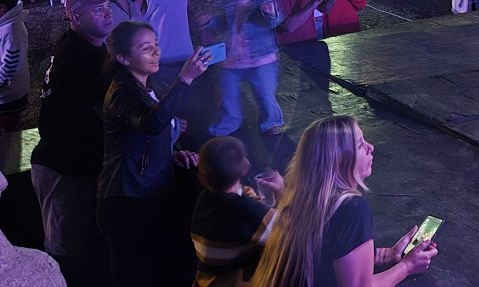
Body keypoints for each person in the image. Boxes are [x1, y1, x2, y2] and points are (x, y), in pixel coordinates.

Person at [249, 115, 437, 287]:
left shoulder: (302, 198)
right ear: (340, 160)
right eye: (360, 145)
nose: (371, 147)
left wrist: (388, 255)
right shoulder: (351, 209)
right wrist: (407, 266)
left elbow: (327, 256)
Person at [96, 21, 211, 287]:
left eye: (156, 45)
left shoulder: (145, 87)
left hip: (147, 193)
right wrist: (185, 79)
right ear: (123, 58)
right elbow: (150, 124)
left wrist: (170, 156)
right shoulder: (122, 94)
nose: (157, 52)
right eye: (147, 48)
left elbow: (147, 137)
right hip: (126, 202)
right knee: (134, 276)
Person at [30, 0, 119, 283]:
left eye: (108, 7)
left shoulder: (83, 44)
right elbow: (108, 112)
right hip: (64, 168)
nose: (107, 13)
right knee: (68, 250)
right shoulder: (80, 57)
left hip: (77, 161)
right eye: (99, 10)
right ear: (76, 17)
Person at [208, 0, 287, 136]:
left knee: (265, 94)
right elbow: (222, 22)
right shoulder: (228, 1)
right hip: (232, 58)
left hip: (262, 59)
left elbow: (275, 21)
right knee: (229, 94)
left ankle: (271, 122)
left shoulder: (263, 1)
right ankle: (230, 122)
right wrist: (209, 22)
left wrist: (270, 14)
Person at [191, 136, 282, 287]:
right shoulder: (248, 213)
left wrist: (250, 199)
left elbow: (235, 199)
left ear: (202, 178)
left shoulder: (204, 199)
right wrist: (281, 190)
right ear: (246, 166)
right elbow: (289, 229)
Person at [0, 0, 28, 133]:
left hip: (9, 98)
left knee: (6, 137)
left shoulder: (12, 31)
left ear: (2, 9)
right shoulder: (5, 23)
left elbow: (8, 69)